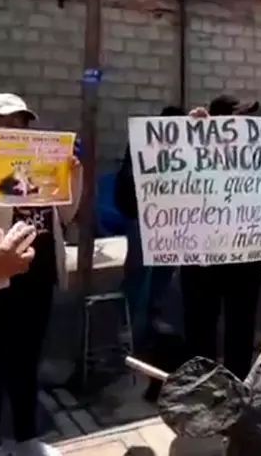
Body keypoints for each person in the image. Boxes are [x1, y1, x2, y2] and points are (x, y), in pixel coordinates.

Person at [0, 93, 82, 456]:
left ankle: (26, 438)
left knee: (28, 361)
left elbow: (66, 216)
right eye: (5, 123)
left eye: (21, 123)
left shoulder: (42, 166)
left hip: (39, 277)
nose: (14, 130)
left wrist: (74, 176)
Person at [181, 95, 261, 379]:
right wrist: (190, 135)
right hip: (203, 256)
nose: (243, 123)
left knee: (241, 328)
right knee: (201, 327)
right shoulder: (192, 149)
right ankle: (205, 385)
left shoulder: (256, 154)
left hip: (245, 254)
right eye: (237, 117)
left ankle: (237, 385)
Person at [116, 105, 185, 349]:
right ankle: (128, 327)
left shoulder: (183, 148)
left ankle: (152, 318)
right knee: (139, 272)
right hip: (141, 216)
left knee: (164, 270)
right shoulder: (144, 143)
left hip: (169, 218)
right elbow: (131, 181)